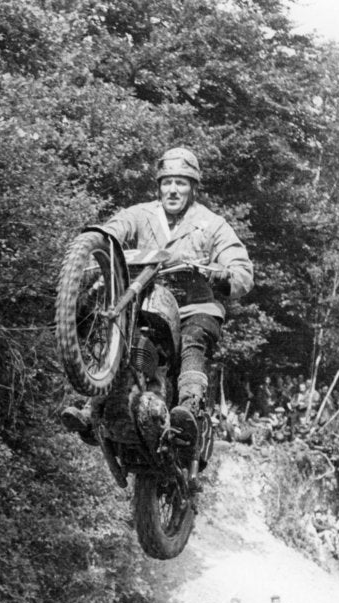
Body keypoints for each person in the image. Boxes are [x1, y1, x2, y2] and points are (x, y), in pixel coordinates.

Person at [61, 147, 254, 450]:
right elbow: (113, 231)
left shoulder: (212, 224)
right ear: (159, 186)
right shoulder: (140, 214)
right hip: (145, 300)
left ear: (193, 188)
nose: (173, 190)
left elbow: (242, 271)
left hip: (193, 306)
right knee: (114, 330)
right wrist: (95, 243)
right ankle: (92, 407)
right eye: (167, 182)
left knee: (195, 339)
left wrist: (222, 273)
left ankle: (188, 407)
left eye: (181, 183)